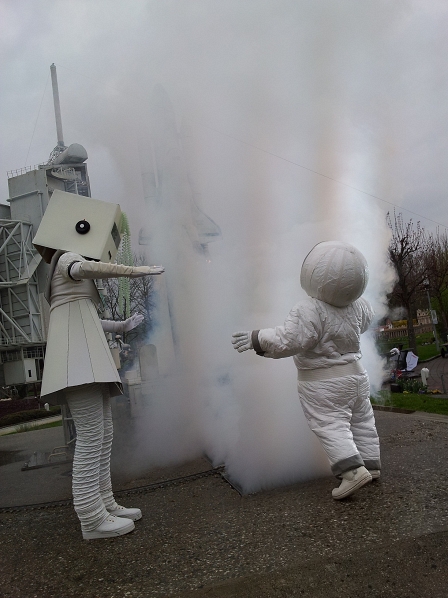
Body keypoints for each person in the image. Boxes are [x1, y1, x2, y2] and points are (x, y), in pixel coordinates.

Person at [33, 192, 164, 538]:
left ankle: (105, 502)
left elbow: (86, 317)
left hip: (84, 355)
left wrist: (120, 327)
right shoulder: (68, 257)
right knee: (93, 436)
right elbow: (83, 268)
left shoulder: (63, 269)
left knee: (102, 433)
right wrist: (132, 271)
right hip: (79, 360)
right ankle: (91, 516)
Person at [232, 241, 380, 500]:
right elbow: (364, 323)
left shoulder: (309, 309)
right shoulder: (360, 306)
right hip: (357, 377)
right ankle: (371, 464)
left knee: (330, 424)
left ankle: (352, 473)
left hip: (323, 383)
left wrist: (257, 338)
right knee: (362, 421)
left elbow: (290, 339)